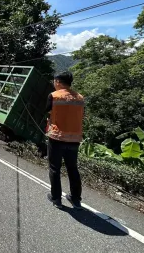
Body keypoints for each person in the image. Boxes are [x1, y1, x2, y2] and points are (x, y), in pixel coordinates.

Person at [46, 71, 85, 210]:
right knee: (73, 169)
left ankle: (56, 198)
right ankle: (76, 200)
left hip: (57, 137)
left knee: (55, 168)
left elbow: (47, 111)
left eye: (54, 81)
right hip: (75, 139)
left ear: (58, 82)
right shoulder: (80, 98)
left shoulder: (54, 96)